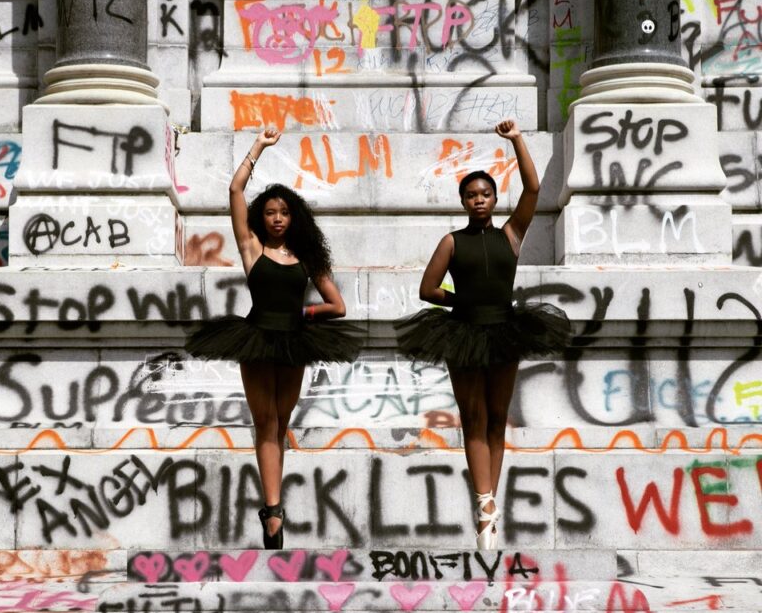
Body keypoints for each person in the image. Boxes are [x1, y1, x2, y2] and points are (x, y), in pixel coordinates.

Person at [396, 120, 571, 550]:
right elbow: (427, 289)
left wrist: (516, 140)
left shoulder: (511, 234)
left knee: (497, 419)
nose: (479, 200)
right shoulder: (452, 242)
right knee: (472, 418)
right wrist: (462, 302)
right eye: (471, 195)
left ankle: (491, 506)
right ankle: (484, 503)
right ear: (463, 201)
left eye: (485, 194)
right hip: (464, 332)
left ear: (494, 199)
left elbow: (532, 190)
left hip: (505, 330)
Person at [185, 127, 361, 549]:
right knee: (264, 421)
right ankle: (273, 512)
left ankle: (273, 504)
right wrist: (257, 149)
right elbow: (234, 190)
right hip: (257, 337)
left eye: (284, 212)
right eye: (270, 212)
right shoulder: (252, 249)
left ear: (293, 217)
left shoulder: (306, 259)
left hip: (295, 340)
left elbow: (337, 306)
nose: (278, 218)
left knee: (281, 423)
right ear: (261, 217)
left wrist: (304, 312)